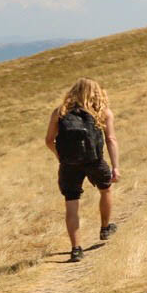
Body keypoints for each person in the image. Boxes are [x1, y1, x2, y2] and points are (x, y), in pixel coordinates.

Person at [45, 78, 120, 262]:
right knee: (106, 189)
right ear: (96, 92)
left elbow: (49, 140)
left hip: (69, 164)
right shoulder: (102, 112)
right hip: (94, 161)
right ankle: (105, 228)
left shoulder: (60, 112)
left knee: (72, 204)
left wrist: (61, 157)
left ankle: (76, 249)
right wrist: (115, 166)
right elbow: (111, 139)